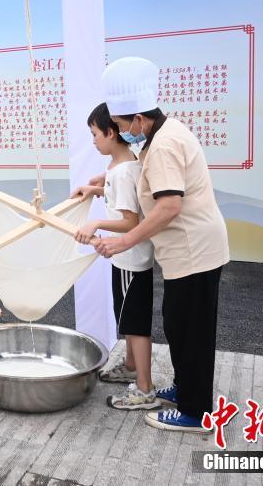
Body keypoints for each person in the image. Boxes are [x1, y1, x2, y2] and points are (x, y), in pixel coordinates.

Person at [92, 56, 229, 433]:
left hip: (194, 251)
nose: (122, 133)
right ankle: (187, 389)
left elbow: (169, 205)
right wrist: (95, 184)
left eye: (121, 125)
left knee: (191, 331)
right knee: (179, 324)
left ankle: (196, 412)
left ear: (138, 119)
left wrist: (124, 241)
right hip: (186, 252)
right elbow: (131, 172)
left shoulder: (164, 145)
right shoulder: (158, 137)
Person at [72, 103, 156, 411]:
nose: (93, 140)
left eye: (95, 134)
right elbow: (116, 186)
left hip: (130, 260)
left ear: (111, 132)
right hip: (131, 260)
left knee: (136, 324)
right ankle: (132, 368)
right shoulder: (128, 162)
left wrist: (96, 223)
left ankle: (145, 389)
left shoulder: (120, 172)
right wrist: (94, 189)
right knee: (130, 318)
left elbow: (130, 221)